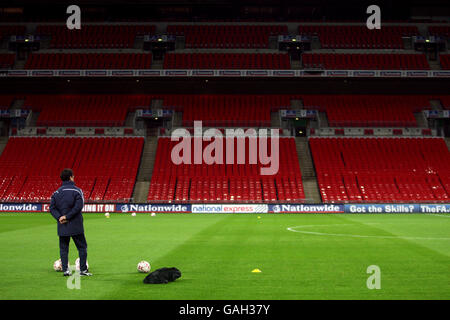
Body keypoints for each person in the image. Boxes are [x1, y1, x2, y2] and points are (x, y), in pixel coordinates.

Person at [50, 168, 92, 277]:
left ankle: (66, 270)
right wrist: (67, 216)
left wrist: (60, 217)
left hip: (62, 225)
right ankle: (83, 270)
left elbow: (52, 208)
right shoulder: (77, 191)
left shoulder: (56, 193)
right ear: (71, 177)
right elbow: (79, 206)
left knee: (64, 248)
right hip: (76, 225)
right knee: (82, 247)